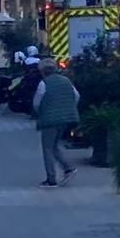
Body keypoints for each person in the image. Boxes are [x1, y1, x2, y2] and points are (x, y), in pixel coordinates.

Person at [32, 58, 80, 188]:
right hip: (65, 120)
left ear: (42, 71)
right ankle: (68, 169)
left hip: (49, 120)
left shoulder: (44, 83)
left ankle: (51, 179)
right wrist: (67, 108)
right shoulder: (66, 81)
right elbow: (76, 96)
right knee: (54, 146)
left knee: (47, 148)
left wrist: (42, 111)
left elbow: (36, 103)